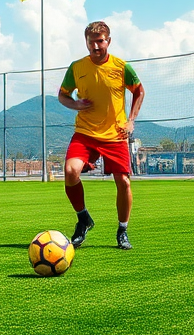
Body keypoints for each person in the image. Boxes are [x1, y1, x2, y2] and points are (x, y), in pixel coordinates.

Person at [57, 21, 145, 250]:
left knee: (123, 182)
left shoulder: (121, 67)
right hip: (85, 132)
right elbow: (63, 95)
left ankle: (122, 230)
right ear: (86, 42)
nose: (96, 46)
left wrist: (131, 120)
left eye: (100, 41)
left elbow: (139, 91)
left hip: (115, 134)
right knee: (70, 172)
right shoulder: (76, 67)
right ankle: (83, 219)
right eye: (91, 42)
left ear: (108, 41)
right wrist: (75, 104)